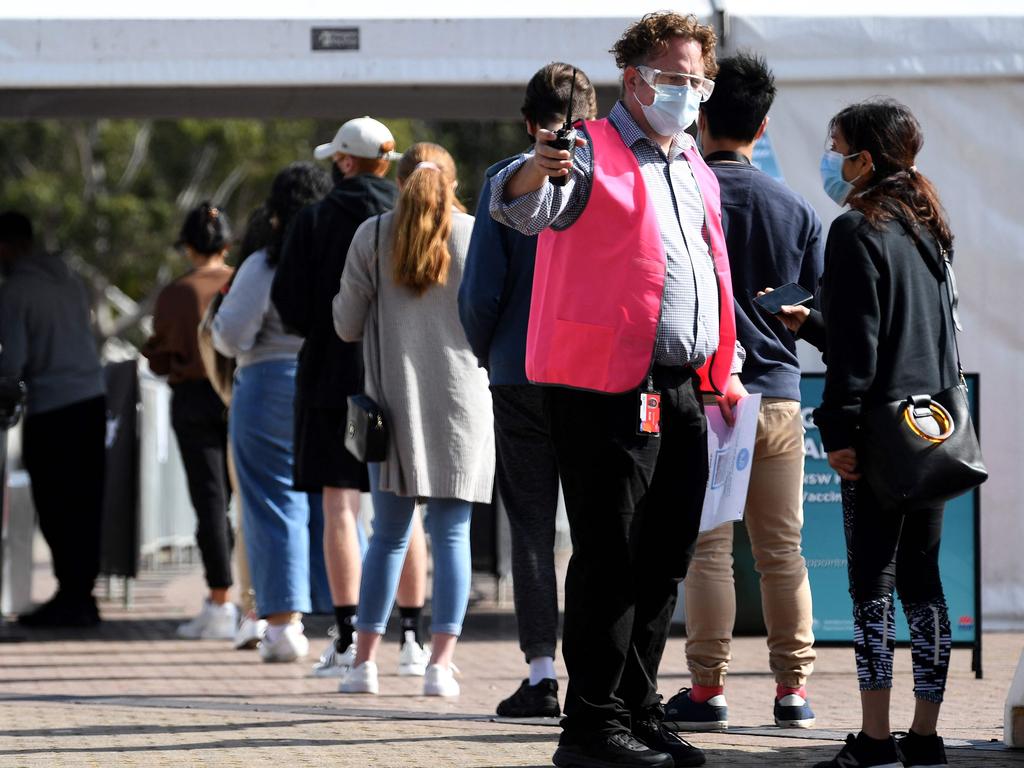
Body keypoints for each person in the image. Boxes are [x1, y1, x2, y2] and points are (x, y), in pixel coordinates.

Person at [491, 12, 748, 768]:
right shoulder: (587, 150)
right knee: (609, 555)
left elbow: (707, 269)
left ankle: (636, 709)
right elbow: (520, 200)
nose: (690, 90)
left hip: (681, 385)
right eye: (675, 76)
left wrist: (722, 369)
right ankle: (591, 727)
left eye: (699, 78)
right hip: (603, 386)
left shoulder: (693, 164)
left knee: (664, 556)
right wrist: (540, 164)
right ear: (633, 80)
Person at [774, 99, 958, 768]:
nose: (830, 157)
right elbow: (909, 338)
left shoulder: (856, 230)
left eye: (836, 146)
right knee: (924, 583)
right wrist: (813, 323)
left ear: (865, 158)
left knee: (872, 588)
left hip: (878, 436)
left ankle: (876, 740)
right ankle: (928, 737)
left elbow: (860, 353)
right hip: (933, 434)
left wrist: (838, 430)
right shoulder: (927, 228)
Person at [663, 53, 822, 732]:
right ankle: (793, 692)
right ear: (764, 124)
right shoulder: (795, 208)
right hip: (781, 396)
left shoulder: (687, 194)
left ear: (701, 116)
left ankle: (708, 691)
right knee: (782, 550)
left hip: (708, 399)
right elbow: (811, 305)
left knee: (709, 549)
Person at [459, 62, 597, 719]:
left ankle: (542, 673)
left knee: (532, 526)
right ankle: (606, 670)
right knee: (602, 525)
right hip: (598, 376)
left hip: (519, 372)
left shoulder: (504, 180)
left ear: (527, 120)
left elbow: (481, 289)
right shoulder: (613, 179)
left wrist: (488, 351)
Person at [334, 143, 494, 698]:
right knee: (451, 535)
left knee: (388, 537)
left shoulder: (372, 235)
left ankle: (362, 666)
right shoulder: (476, 234)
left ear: (399, 184)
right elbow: (495, 318)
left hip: (394, 407)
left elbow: (346, 325)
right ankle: (439, 667)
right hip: (462, 403)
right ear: (452, 185)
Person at [271, 117, 429, 679]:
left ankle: (345, 634)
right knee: (403, 506)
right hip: (400, 375)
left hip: (329, 379)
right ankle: (413, 637)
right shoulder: (414, 214)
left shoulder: (313, 221)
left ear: (342, 162)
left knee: (340, 506)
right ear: (387, 162)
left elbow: (287, 306)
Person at [213, 163, 331, 663]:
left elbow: (230, 333)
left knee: (271, 501)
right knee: (337, 503)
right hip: (328, 379)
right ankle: (346, 620)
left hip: (267, 383)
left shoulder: (265, 263)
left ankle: (283, 623)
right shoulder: (340, 254)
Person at [0, 211, 106, 628]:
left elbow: (13, 362)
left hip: (53, 407)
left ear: (7, 246)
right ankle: (82, 595)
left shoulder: (16, 292)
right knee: (87, 503)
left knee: (57, 504)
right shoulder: (70, 280)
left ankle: (71, 596)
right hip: (92, 399)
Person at [143, 203, 237, 640]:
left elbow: (159, 357)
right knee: (253, 502)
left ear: (189, 247)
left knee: (209, 502)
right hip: (242, 397)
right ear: (227, 244)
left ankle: (220, 600)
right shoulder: (242, 280)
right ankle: (259, 605)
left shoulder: (175, 294)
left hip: (193, 400)